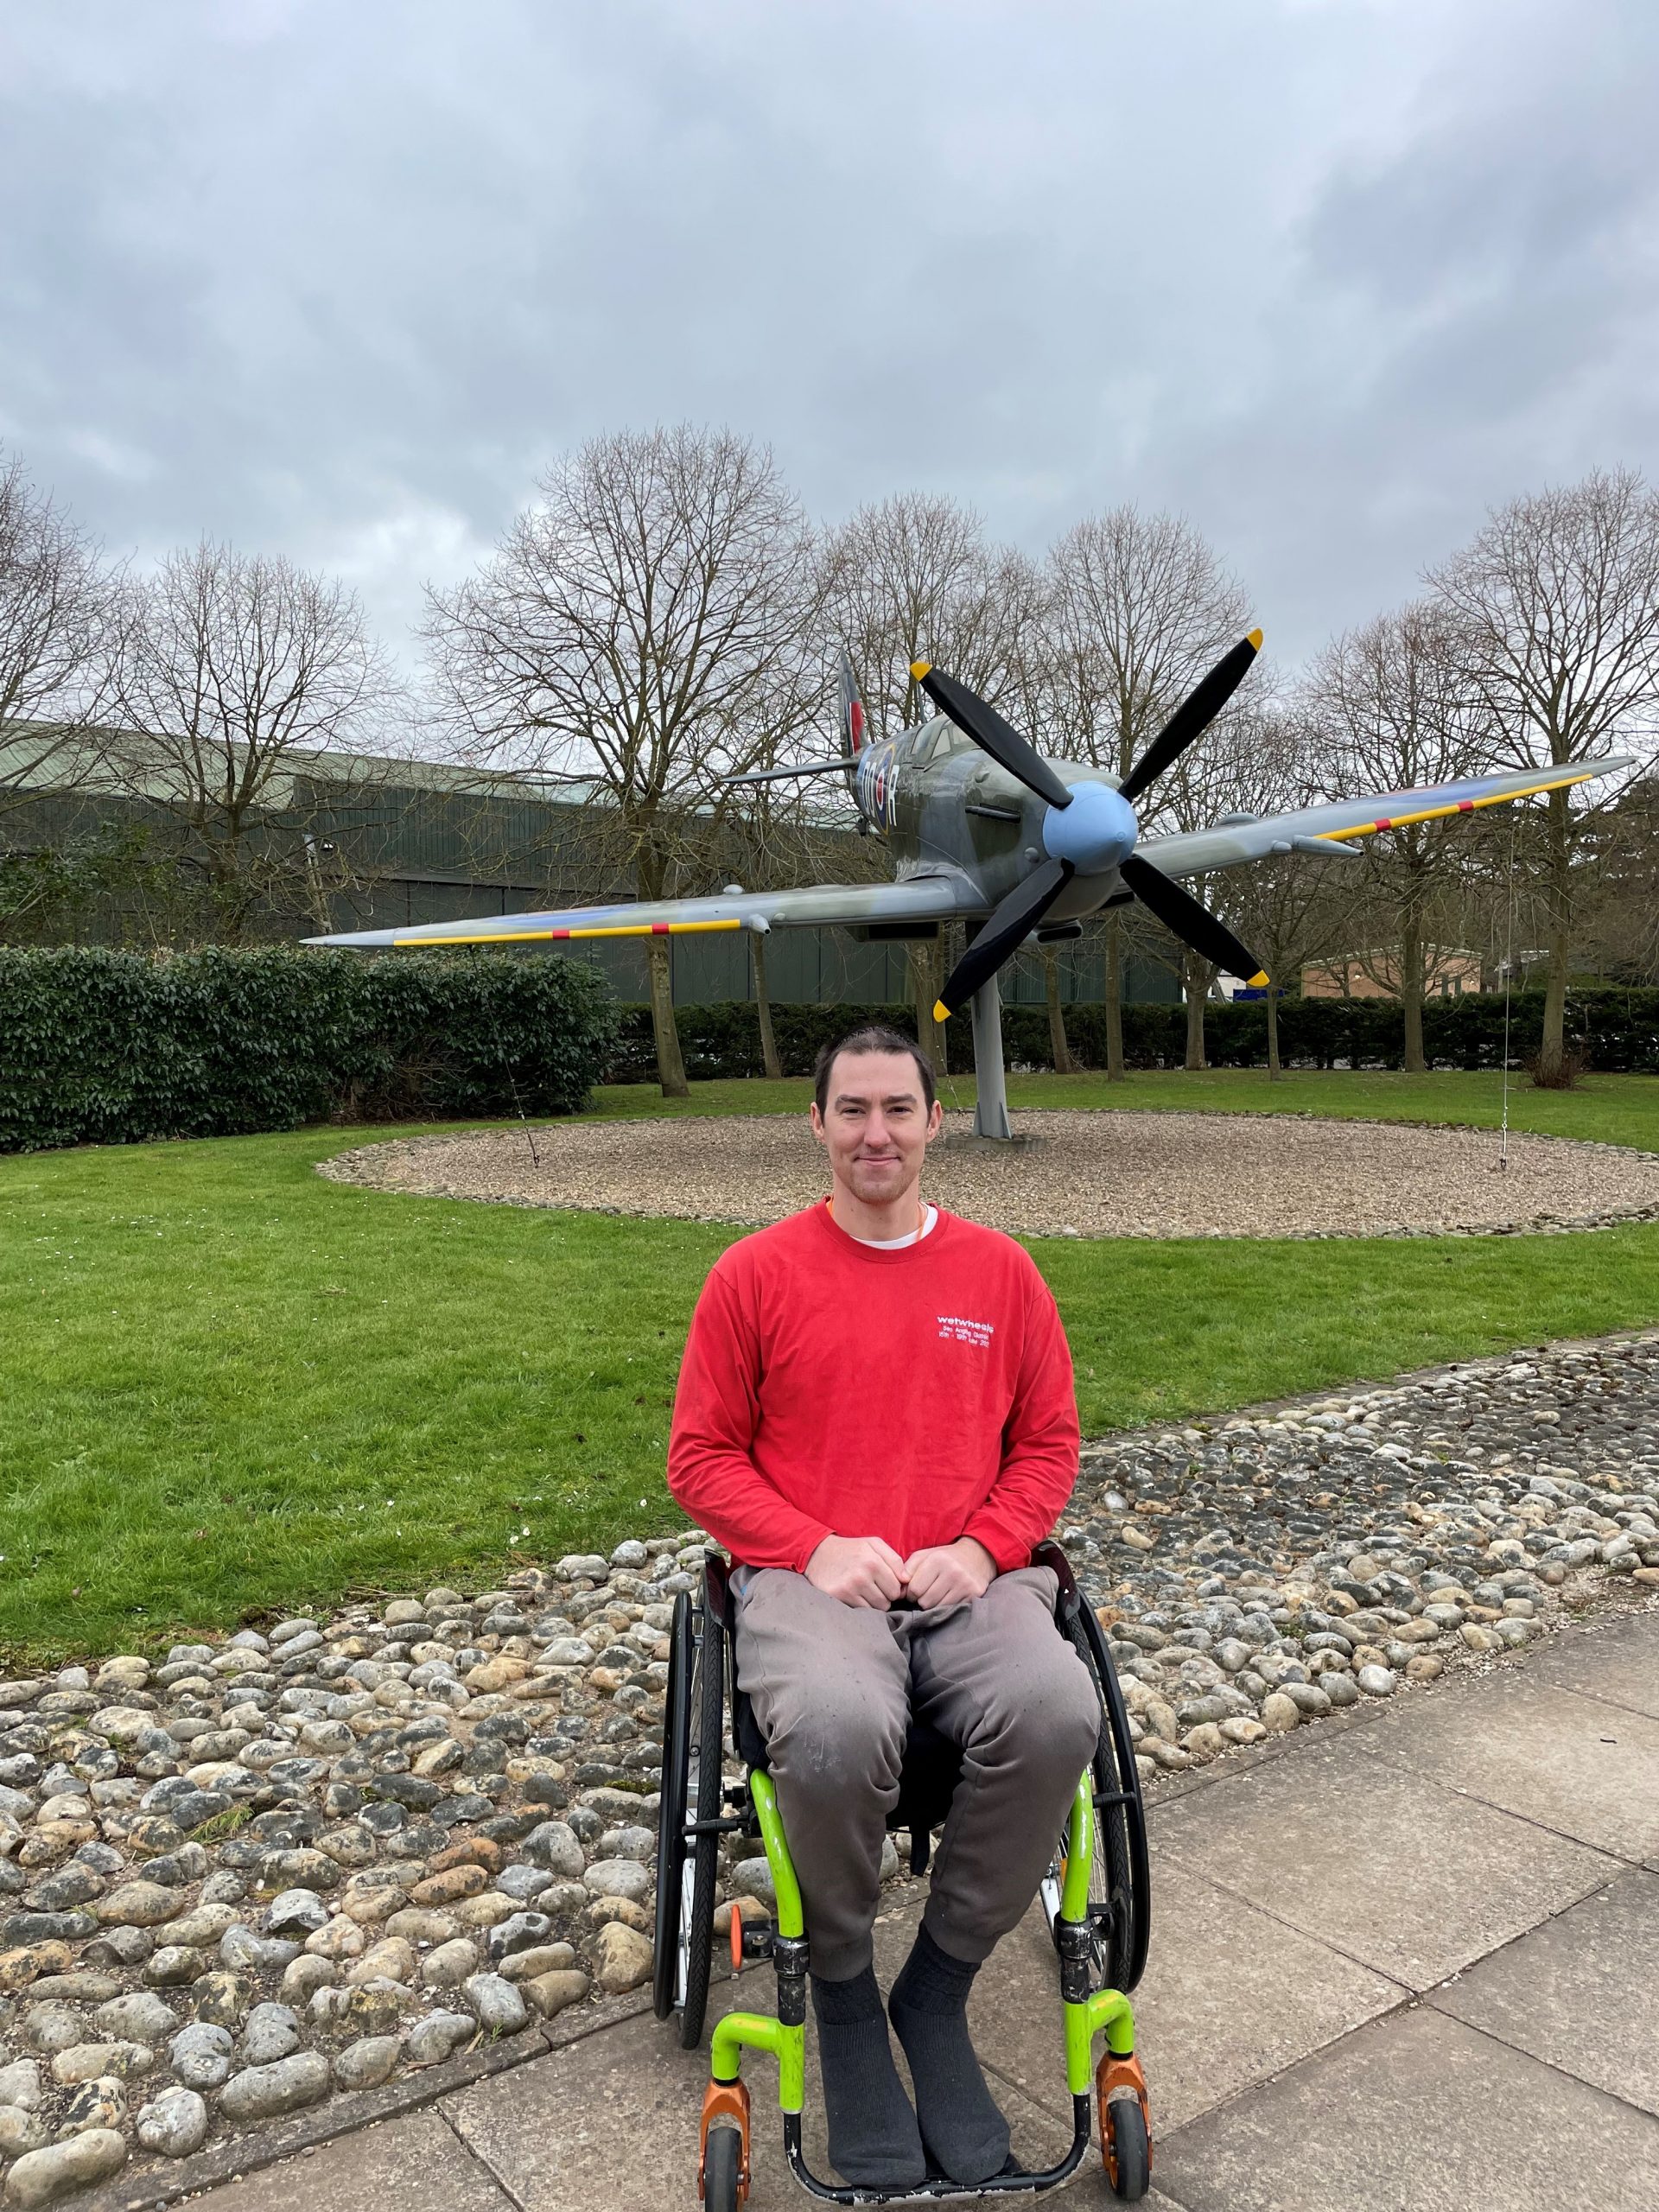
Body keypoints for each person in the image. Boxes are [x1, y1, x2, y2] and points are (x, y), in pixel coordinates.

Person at [667, 1024, 1100, 2190]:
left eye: (897, 1109)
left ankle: (938, 1988)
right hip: (812, 1583)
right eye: (852, 1110)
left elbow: (1049, 1444)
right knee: (836, 1726)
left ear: (933, 1121)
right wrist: (811, 1547)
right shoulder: (754, 1275)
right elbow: (700, 1458)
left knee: (1058, 1711)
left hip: (967, 1579)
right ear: (816, 1122)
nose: (876, 1134)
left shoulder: (1001, 1274)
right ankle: (848, 1994)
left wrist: (985, 1546)